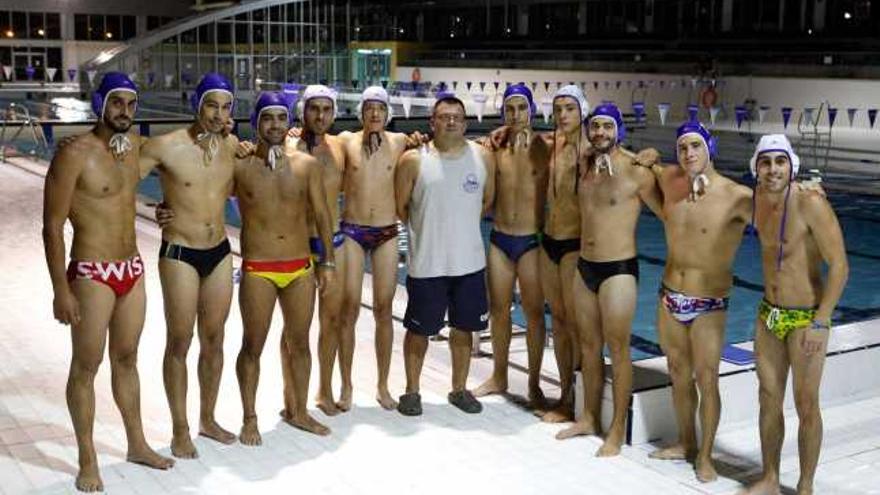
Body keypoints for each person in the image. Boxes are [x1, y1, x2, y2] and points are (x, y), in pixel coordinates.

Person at [42, 72, 174, 492]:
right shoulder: (73, 153)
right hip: (91, 272)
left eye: (131, 105)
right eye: (117, 103)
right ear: (99, 103)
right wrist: (60, 289)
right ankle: (87, 457)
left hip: (131, 270)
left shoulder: (133, 148)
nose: (125, 112)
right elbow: (51, 225)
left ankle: (137, 444)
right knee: (86, 366)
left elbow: (189, 146)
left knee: (128, 359)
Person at [140, 73, 239, 458]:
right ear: (196, 105)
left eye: (225, 106)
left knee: (214, 339)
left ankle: (208, 419)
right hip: (179, 251)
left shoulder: (233, 146)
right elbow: (119, 178)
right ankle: (180, 429)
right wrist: (150, 209)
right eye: (211, 105)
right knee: (180, 341)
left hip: (219, 251)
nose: (218, 114)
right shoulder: (166, 146)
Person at [557, 103, 663, 457]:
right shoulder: (585, 164)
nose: (600, 132)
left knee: (618, 351)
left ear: (619, 130)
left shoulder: (637, 171)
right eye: (596, 126)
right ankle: (588, 417)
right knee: (588, 346)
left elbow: (670, 213)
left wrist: (657, 159)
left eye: (607, 126)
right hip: (584, 267)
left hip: (618, 270)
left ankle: (617, 428)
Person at [648, 121, 753, 482]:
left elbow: (779, 212)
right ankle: (686, 442)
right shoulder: (672, 182)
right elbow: (640, 163)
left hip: (709, 302)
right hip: (669, 296)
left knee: (707, 378)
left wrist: (804, 191)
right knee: (679, 375)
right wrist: (646, 158)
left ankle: (706, 455)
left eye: (695, 146)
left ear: (710, 147)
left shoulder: (736, 195)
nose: (689, 154)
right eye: (682, 148)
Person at [744, 135, 847, 495]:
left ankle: (805, 486)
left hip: (806, 318)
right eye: (766, 162)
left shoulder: (810, 203)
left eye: (780, 162)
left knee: (806, 404)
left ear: (792, 166)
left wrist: (821, 320)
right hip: (768, 315)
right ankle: (770, 478)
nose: (773, 170)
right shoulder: (755, 201)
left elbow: (840, 266)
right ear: (755, 167)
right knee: (768, 397)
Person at [234, 92, 337, 441]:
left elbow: (323, 215)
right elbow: (202, 197)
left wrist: (328, 261)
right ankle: (249, 417)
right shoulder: (240, 165)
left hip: (299, 267)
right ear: (256, 123)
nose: (275, 124)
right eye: (267, 118)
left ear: (289, 123)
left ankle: (299, 411)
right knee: (253, 345)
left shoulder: (306, 165)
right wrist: (166, 210)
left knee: (301, 343)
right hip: (258, 268)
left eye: (281, 117)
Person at [394, 93, 496, 416]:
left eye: (456, 116)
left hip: (469, 262)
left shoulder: (483, 157)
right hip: (427, 263)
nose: (450, 121)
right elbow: (401, 207)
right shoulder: (414, 159)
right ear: (432, 122)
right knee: (419, 330)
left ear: (465, 123)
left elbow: (487, 202)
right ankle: (412, 391)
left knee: (464, 328)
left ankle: (459, 389)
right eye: (443, 116)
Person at [474, 83, 550, 407]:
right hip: (500, 239)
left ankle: (533, 384)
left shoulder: (546, 147)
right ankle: (499, 375)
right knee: (499, 311)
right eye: (510, 109)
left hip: (532, 241)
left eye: (521, 107)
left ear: (531, 110)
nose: (515, 114)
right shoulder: (494, 148)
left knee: (534, 314)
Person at [335, 86, 409, 412]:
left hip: (387, 232)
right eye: (369, 108)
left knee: (383, 309)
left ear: (387, 112)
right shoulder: (345, 140)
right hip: (351, 230)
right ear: (361, 112)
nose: (375, 114)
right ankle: (347, 385)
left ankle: (382, 385)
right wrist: (296, 132)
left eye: (380, 108)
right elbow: (314, 144)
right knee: (348, 309)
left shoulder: (401, 142)